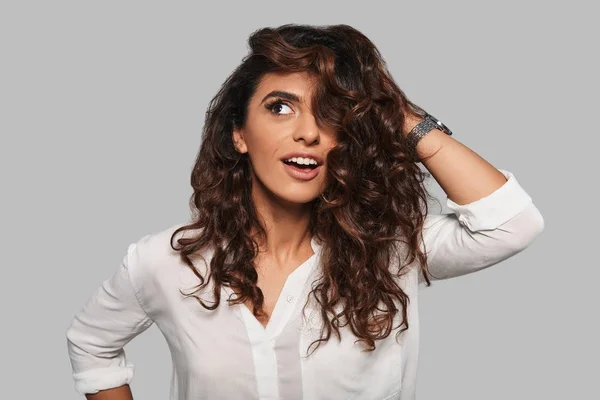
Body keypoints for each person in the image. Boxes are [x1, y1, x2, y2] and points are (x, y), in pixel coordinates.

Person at [66, 24, 545, 400]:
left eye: (331, 113)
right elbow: (91, 344)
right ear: (239, 134)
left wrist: (395, 112)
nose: (309, 133)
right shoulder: (164, 262)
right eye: (280, 108)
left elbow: (512, 223)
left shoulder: (390, 248)